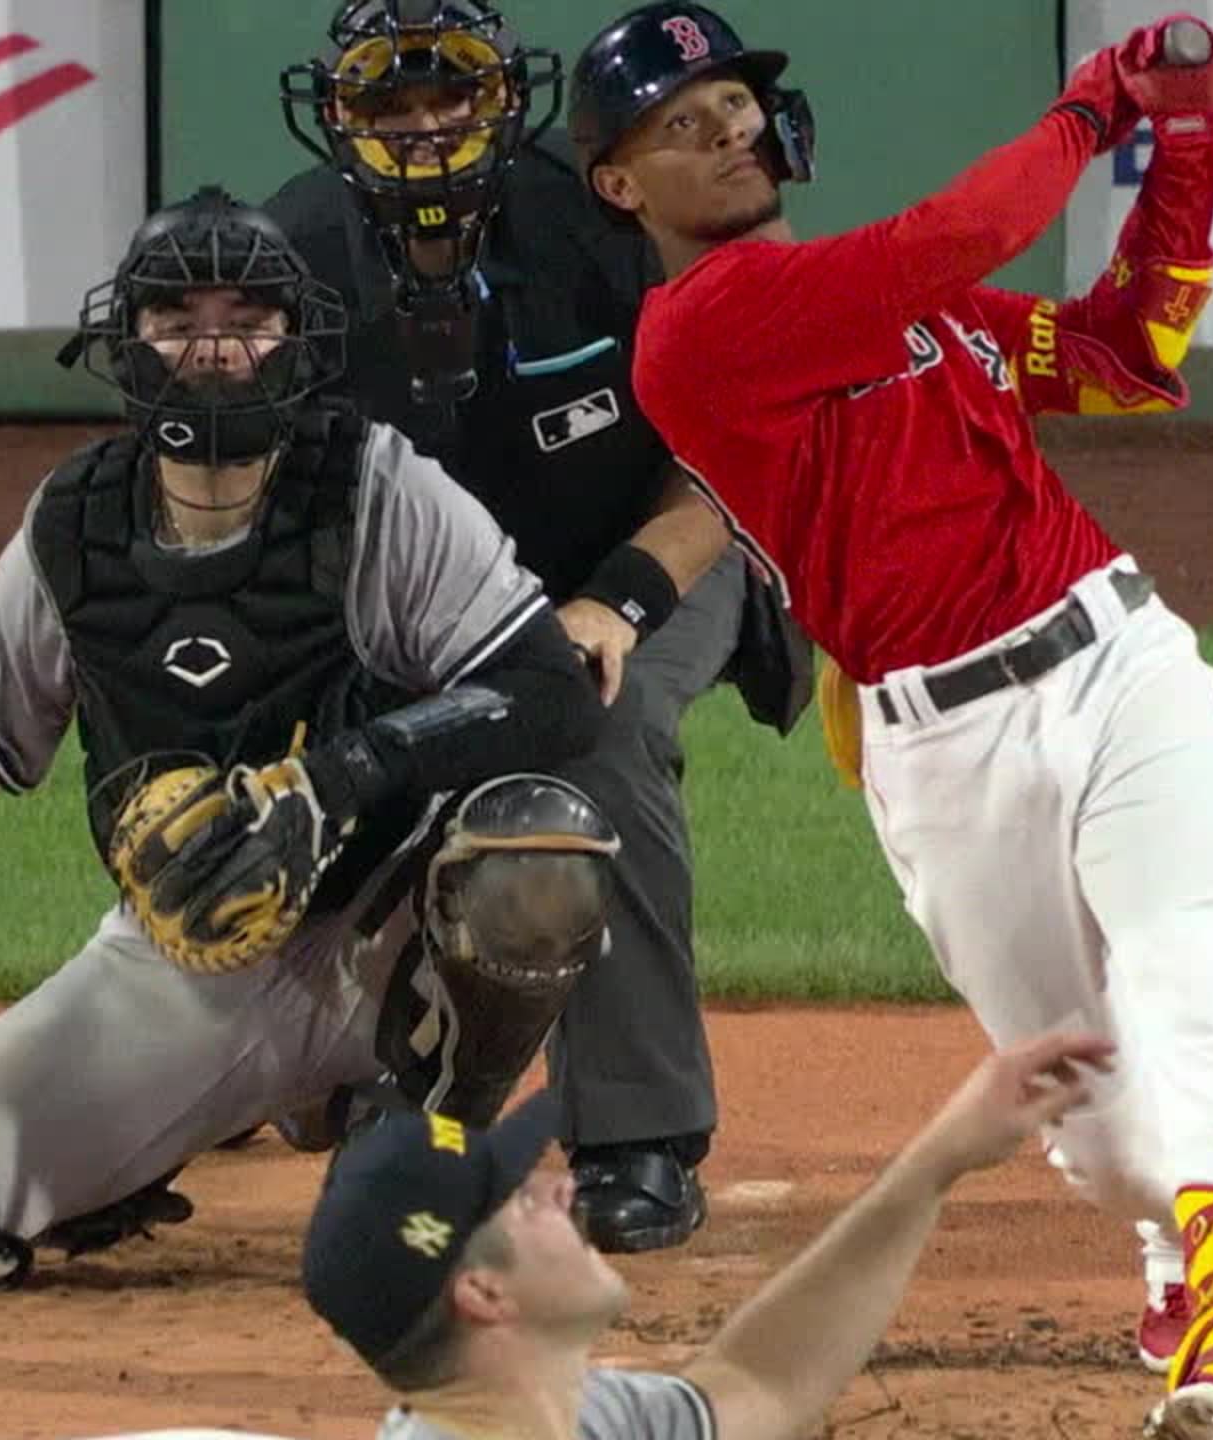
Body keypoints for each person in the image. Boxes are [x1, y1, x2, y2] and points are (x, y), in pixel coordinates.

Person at [569, 6, 1213, 1438]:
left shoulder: (906, 307)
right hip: (940, 753)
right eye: (679, 123)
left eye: (732, 104)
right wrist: (1100, 105)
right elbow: (964, 230)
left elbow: (1127, 354)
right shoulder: (702, 333)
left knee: (1192, 966)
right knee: (1082, 1106)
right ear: (620, 185)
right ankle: (1174, 1246)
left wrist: (1189, 153)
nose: (724, 130)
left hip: (1119, 662)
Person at [0, 185, 620, 1299]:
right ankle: (170, 1128)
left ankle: (433, 1140)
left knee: (540, 850)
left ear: (296, 335)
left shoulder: (378, 487)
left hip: (387, 932)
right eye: (178, 318)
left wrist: (336, 781)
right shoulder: (74, 523)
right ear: (127, 340)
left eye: (247, 316)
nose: (215, 344)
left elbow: (549, 694)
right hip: (186, 961)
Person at [262, 0, 813, 1255]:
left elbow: (733, 444)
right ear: (336, 114)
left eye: (447, 96)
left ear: (502, 97)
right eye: (387, 107)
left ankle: (639, 1137)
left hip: (662, 543)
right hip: (429, 600)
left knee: (589, 731)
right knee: (312, 732)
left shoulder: (609, 217)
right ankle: (329, 1048)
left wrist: (615, 602)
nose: (423, 129)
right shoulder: (292, 252)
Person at [300, 1029, 1117, 1440]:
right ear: (481, 1291)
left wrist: (938, 1160)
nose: (561, 1186)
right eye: (518, 1201)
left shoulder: (563, 1413)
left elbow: (757, 1381)